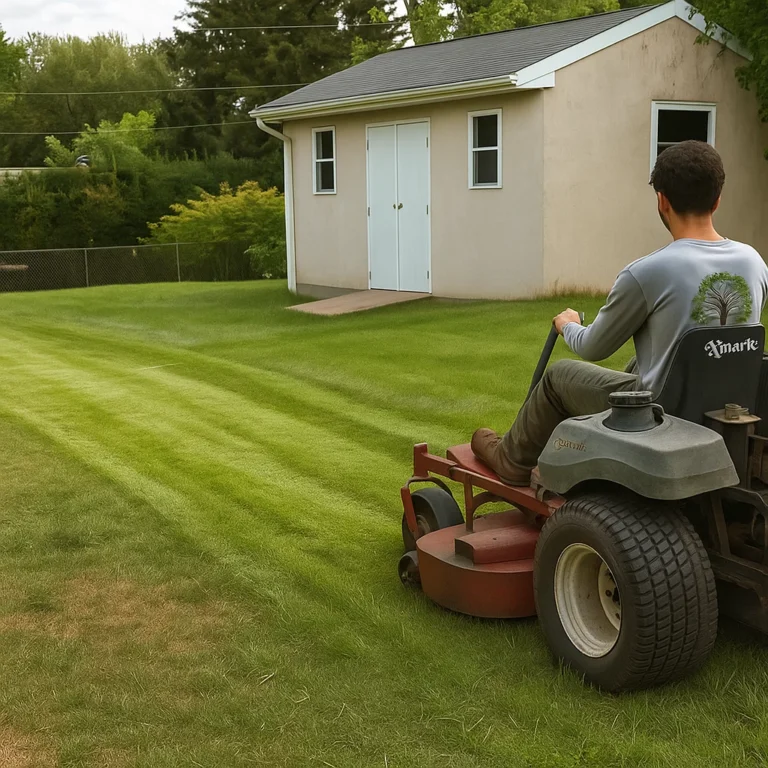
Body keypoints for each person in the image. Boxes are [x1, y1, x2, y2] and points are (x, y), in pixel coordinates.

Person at [472, 139, 768, 485]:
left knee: (559, 376)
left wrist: (569, 325)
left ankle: (512, 459)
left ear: (662, 200)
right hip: (726, 406)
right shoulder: (754, 262)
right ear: (717, 200)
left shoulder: (647, 272)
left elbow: (593, 347)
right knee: (635, 365)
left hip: (657, 415)